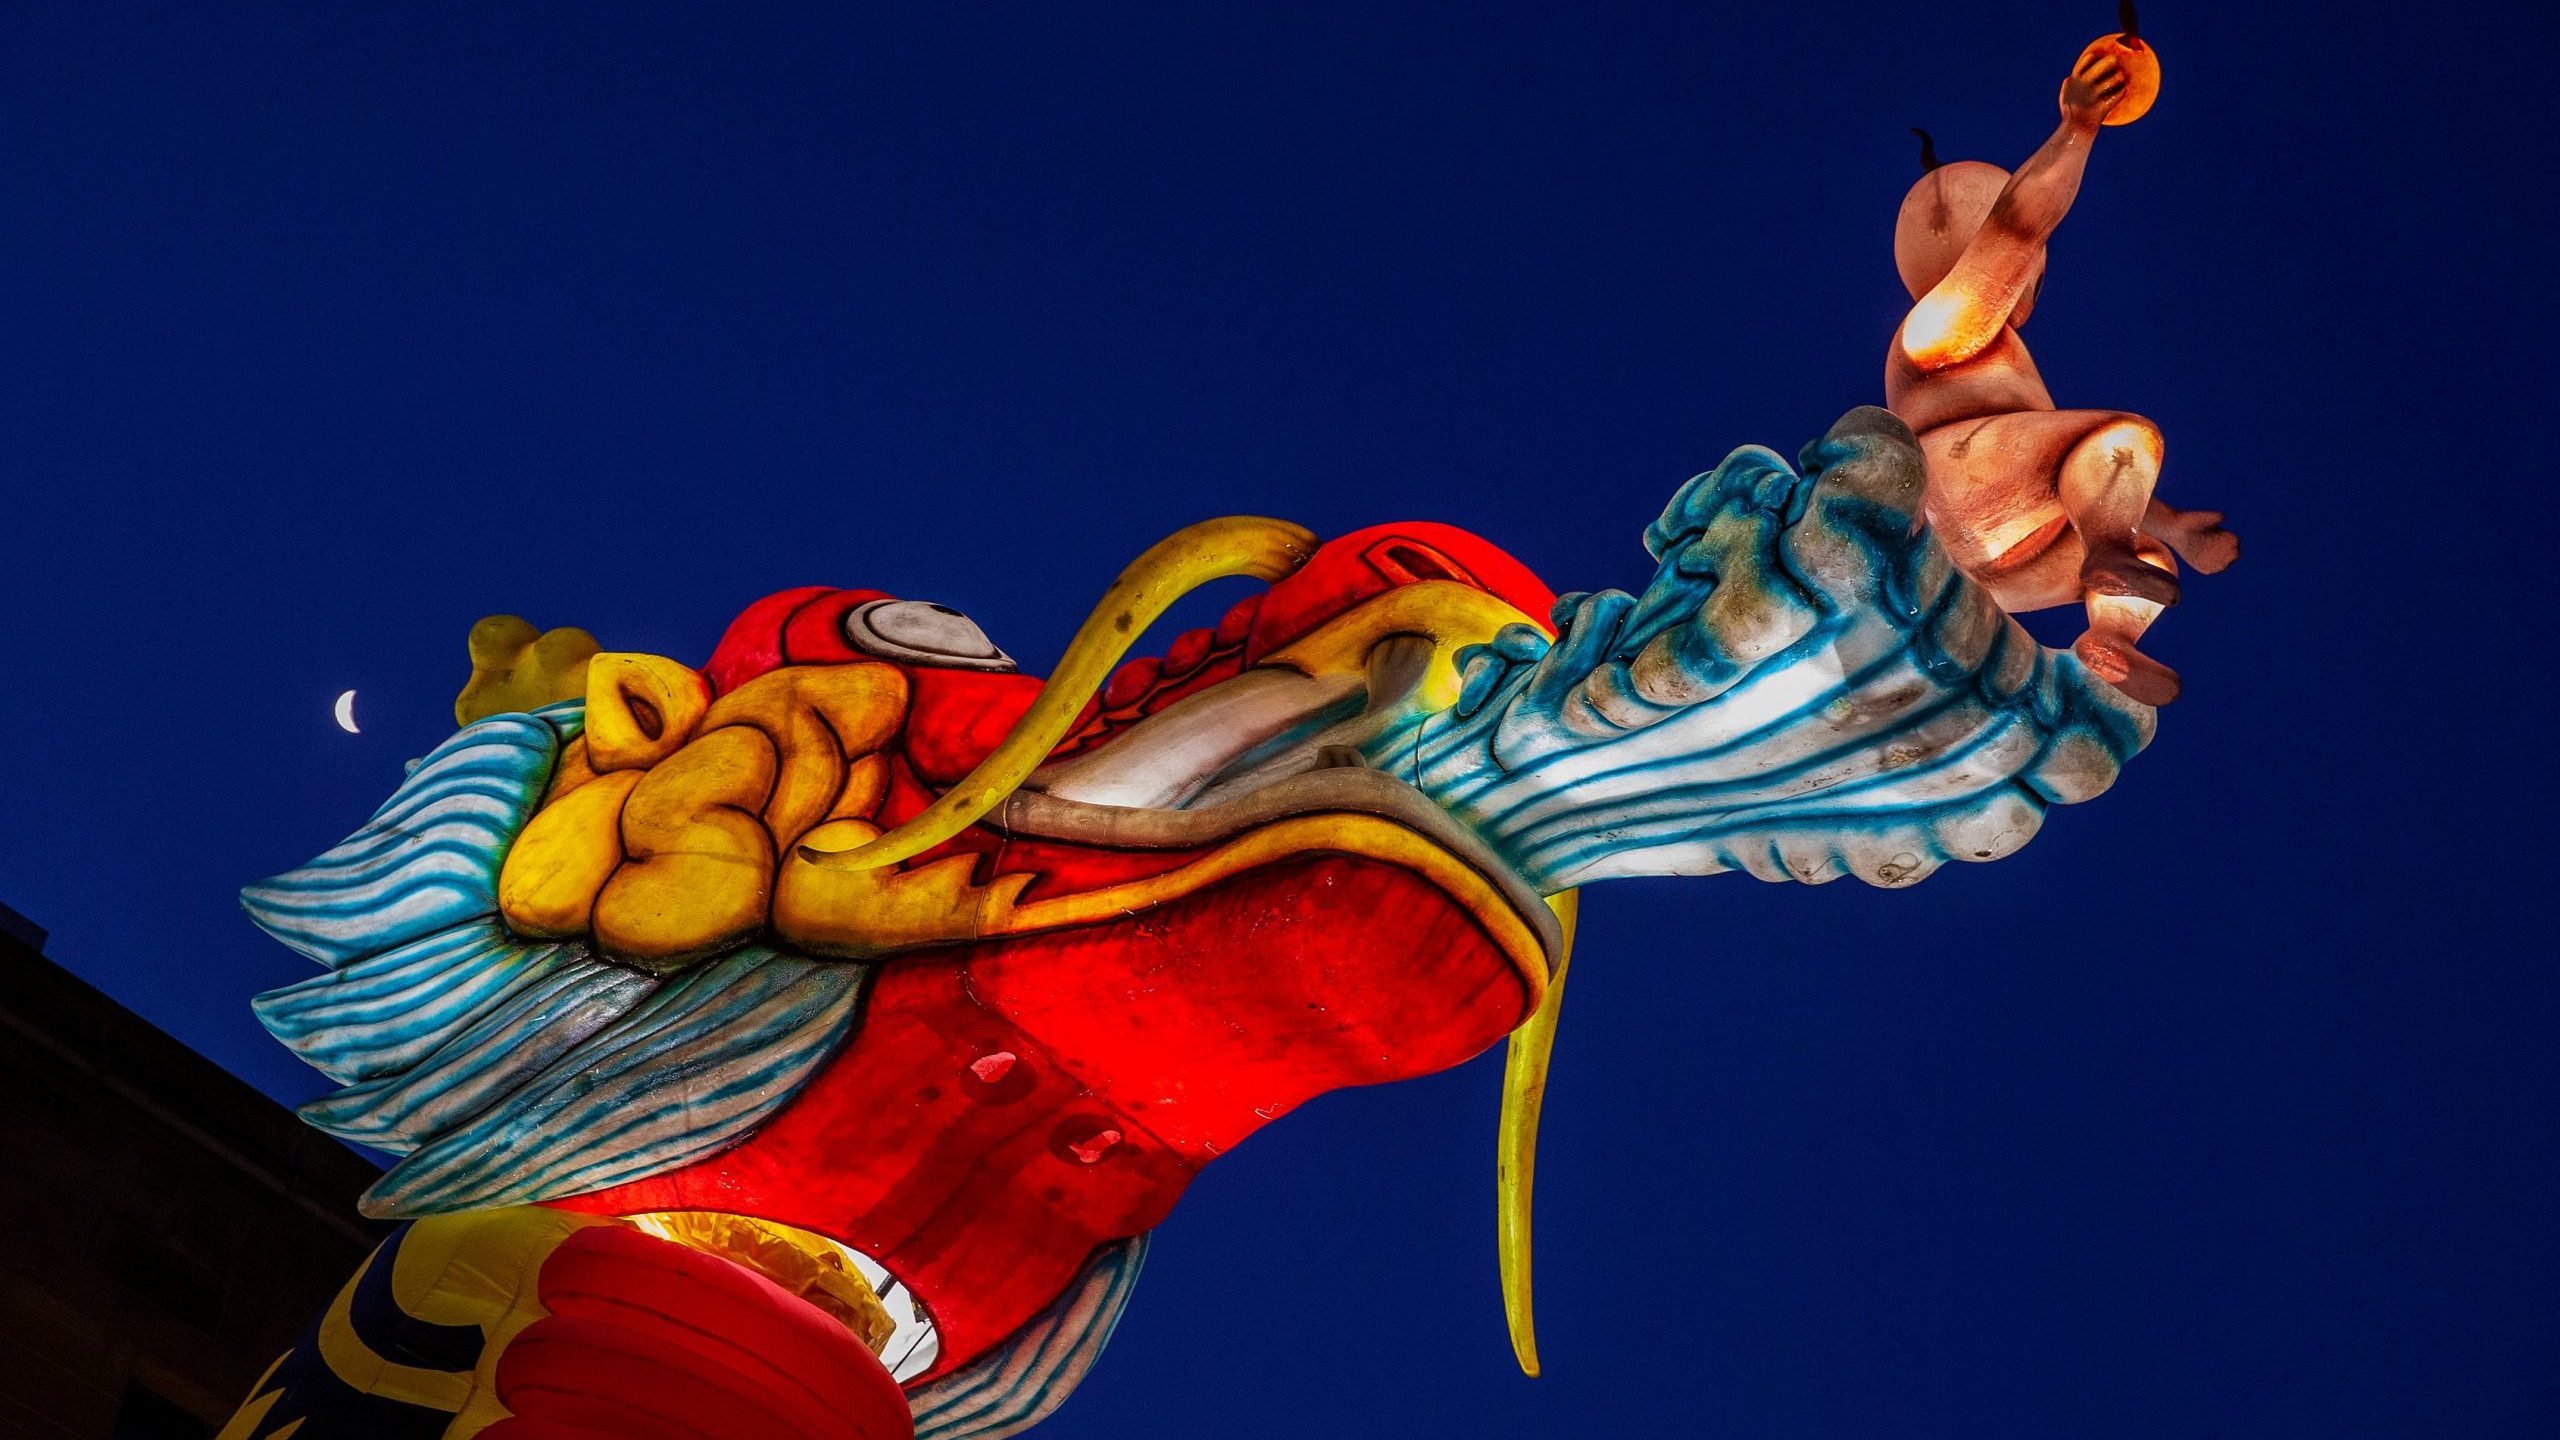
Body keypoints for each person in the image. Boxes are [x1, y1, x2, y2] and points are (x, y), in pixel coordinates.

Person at [1886, 36, 2237, 704]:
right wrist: (2077, 129)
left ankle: (2111, 641)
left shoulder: (1991, 350)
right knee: (2127, 437)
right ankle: (2107, 557)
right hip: (1952, 494)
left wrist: (2177, 531)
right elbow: (2017, 229)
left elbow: (2077, 476)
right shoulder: (1938, 324)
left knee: (2145, 556)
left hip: (1987, 567)